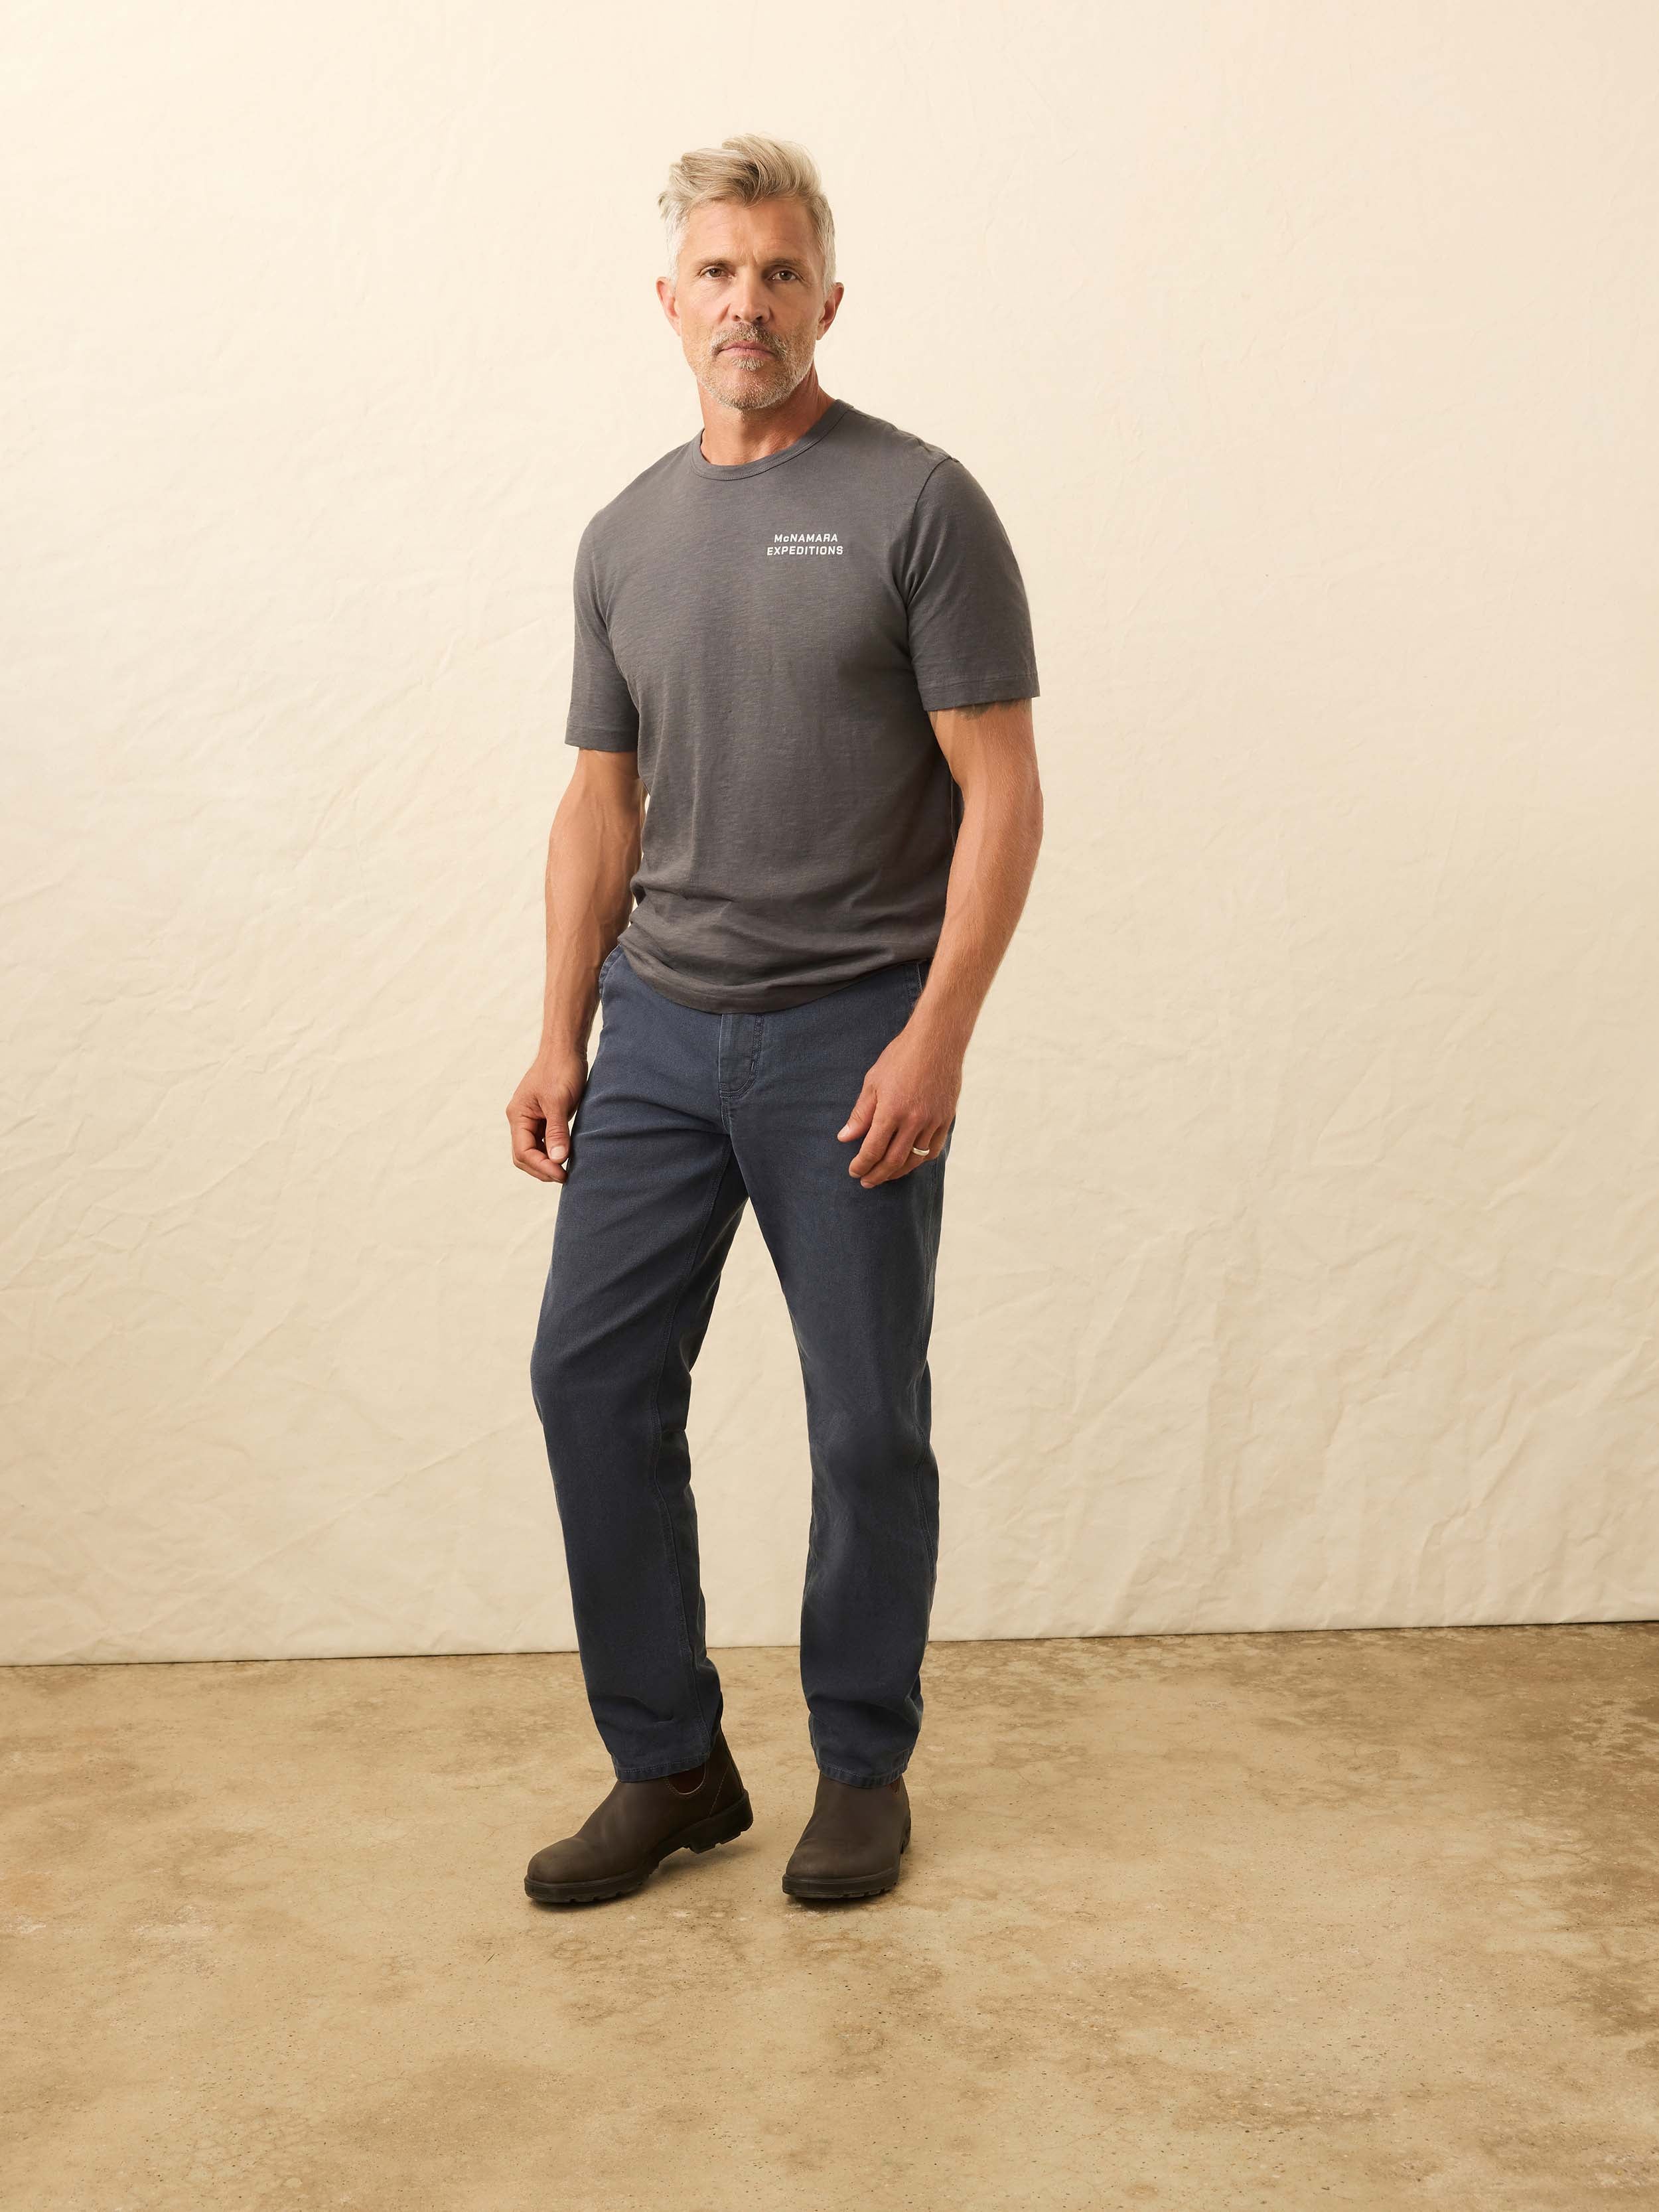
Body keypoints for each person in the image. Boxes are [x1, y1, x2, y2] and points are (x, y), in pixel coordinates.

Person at [508, 133, 1043, 1907]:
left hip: (851, 1032)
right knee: (589, 1381)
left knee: (861, 1419)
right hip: (658, 1033)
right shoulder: (623, 534)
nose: (750, 302)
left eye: (782, 271)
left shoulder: (917, 503)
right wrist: (560, 1033)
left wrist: (938, 1033)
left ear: (828, 298)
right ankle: (668, 1765)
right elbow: (600, 803)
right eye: (720, 273)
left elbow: (1002, 791)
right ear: (670, 302)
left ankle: (862, 1767)